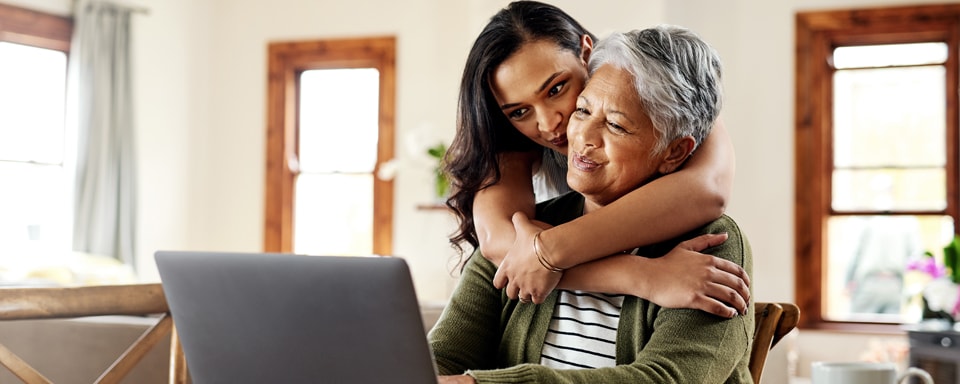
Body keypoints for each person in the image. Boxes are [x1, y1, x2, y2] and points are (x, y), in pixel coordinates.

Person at [430, 25, 753, 384]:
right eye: (582, 111)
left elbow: (666, 379)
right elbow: (436, 360)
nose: (578, 135)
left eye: (615, 125)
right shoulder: (527, 228)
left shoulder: (715, 243)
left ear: (674, 152)